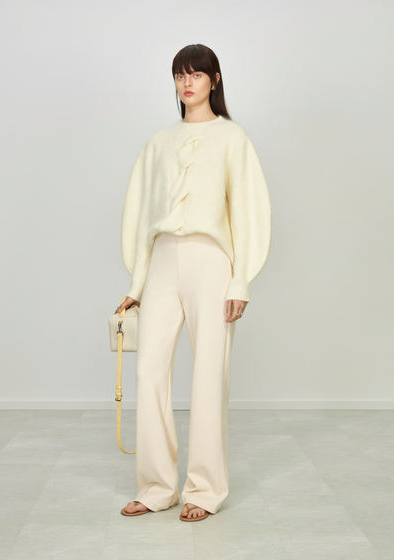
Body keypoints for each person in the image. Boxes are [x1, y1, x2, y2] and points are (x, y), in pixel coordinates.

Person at [115, 43, 272, 522]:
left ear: (214, 80)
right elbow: (142, 216)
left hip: (212, 261)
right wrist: (137, 285)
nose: (187, 83)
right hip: (163, 259)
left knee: (208, 376)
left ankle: (203, 491)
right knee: (149, 372)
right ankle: (157, 487)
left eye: (196, 74)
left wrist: (241, 279)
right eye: (180, 75)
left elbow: (247, 210)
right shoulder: (158, 144)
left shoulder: (233, 139)